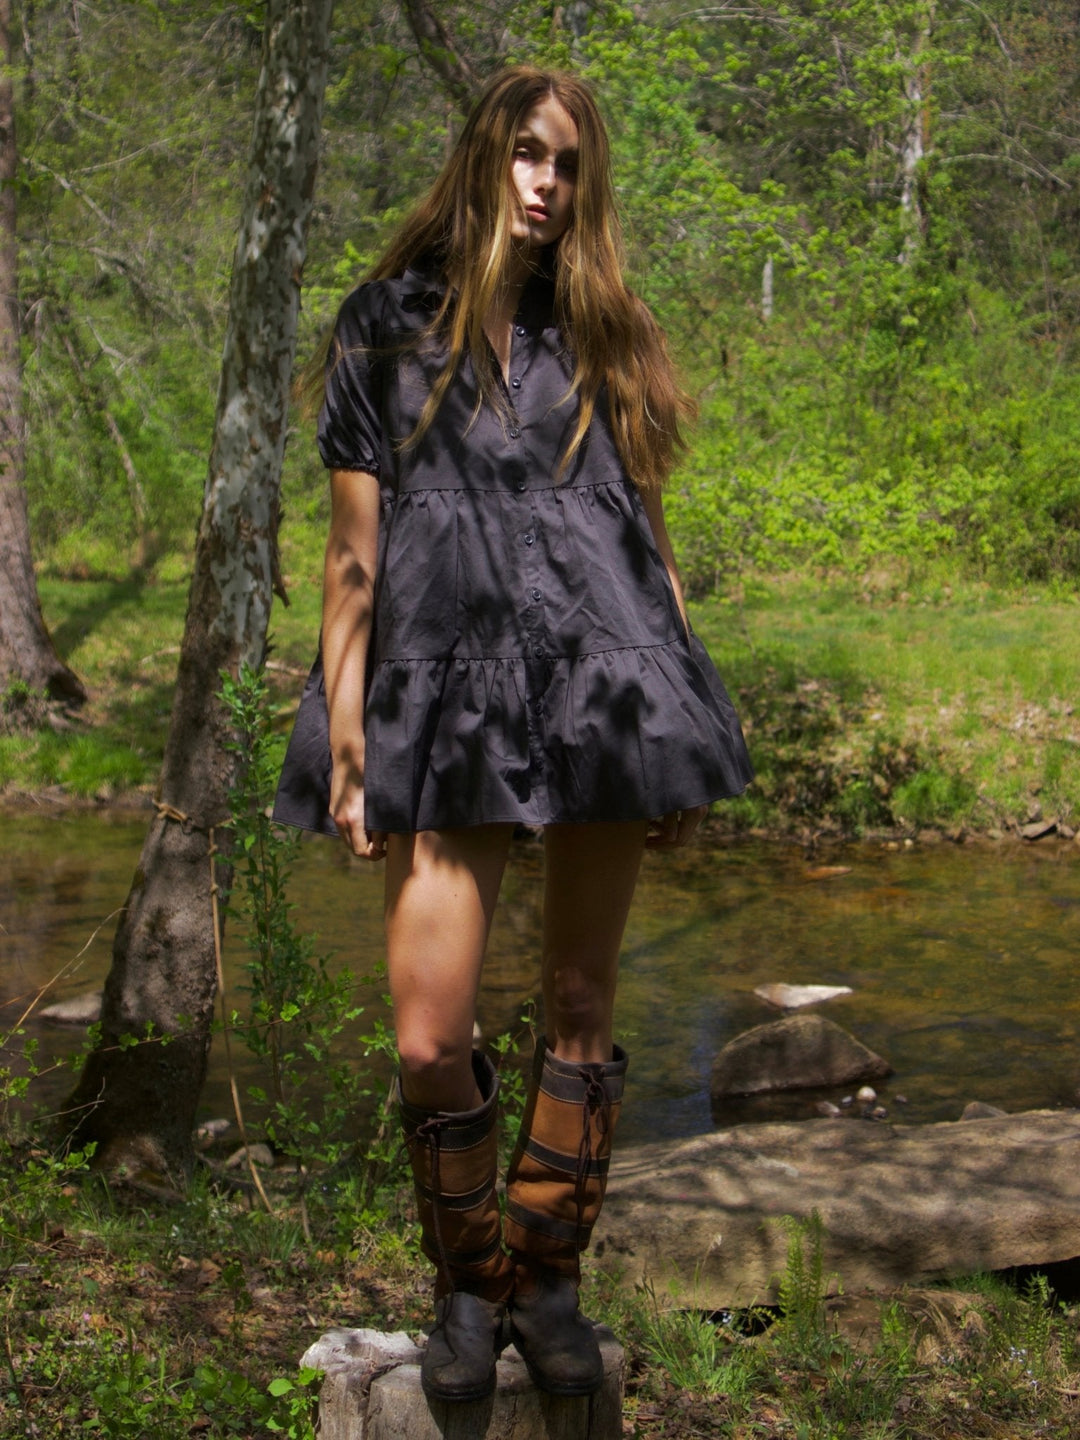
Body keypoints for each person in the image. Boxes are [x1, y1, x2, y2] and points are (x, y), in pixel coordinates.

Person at [274, 65, 753, 1404]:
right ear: (485, 157)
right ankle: (465, 1281)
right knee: (431, 1038)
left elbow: (648, 549)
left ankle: (544, 1282)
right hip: (447, 697)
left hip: (603, 689)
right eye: (530, 156)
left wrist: (683, 716)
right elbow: (352, 558)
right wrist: (353, 742)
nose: (547, 185)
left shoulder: (606, 332)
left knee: (584, 1006)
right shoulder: (387, 326)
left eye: (570, 168)